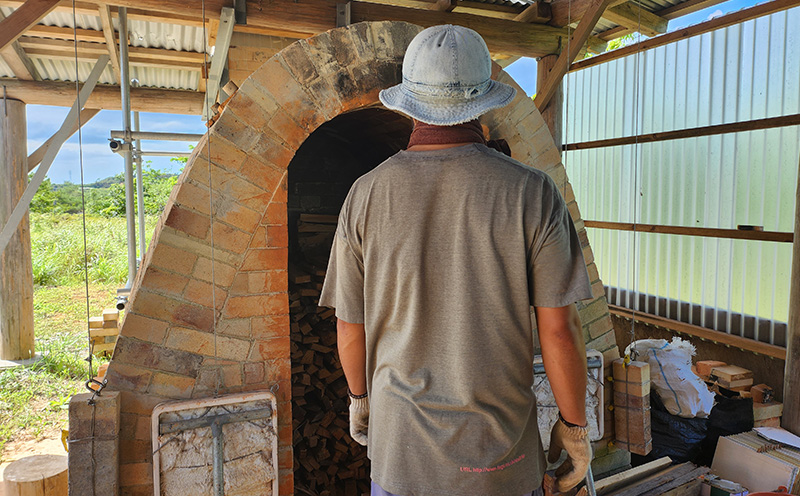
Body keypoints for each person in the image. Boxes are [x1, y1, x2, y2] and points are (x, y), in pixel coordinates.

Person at [319, 24, 593, 496]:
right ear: (484, 102)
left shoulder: (364, 195)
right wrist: (574, 430)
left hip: (400, 452)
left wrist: (360, 401)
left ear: (408, 105)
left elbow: (350, 326)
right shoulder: (533, 193)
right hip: (498, 460)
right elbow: (558, 330)